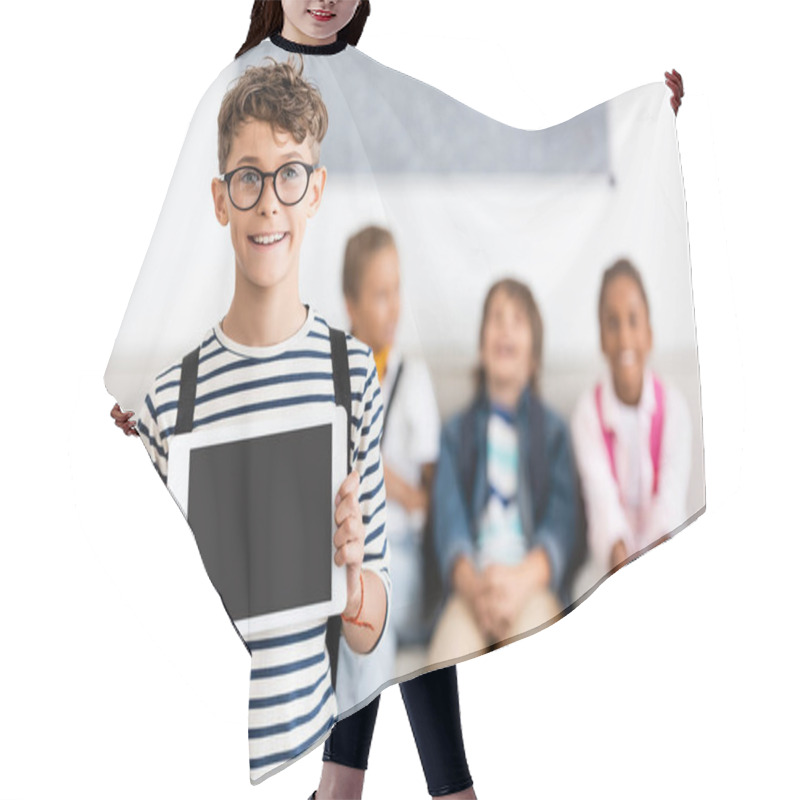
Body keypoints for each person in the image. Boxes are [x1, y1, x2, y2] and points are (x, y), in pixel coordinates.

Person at [132, 57, 389, 785]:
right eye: (249, 177)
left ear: (316, 194)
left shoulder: (351, 377)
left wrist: (354, 577)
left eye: (290, 175)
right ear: (220, 200)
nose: (270, 202)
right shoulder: (168, 405)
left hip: (308, 747)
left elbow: (371, 634)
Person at [428, 279, 579, 664]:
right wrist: (477, 590)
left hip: (530, 583)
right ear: (481, 347)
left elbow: (563, 523)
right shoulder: (455, 434)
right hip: (472, 585)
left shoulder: (555, 434)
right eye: (496, 318)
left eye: (517, 320)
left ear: (533, 357)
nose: (506, 327)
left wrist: (520, 582)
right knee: (445, 664)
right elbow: (449, 520)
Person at [570, 258, 692, 596]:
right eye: (612, 322)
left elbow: (669, 504)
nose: (624, 335)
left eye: (633, 320)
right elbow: (602, 503)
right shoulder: (587, 414)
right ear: (601, 339)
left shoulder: (675, 410)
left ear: (649, 333)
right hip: (609, 564)